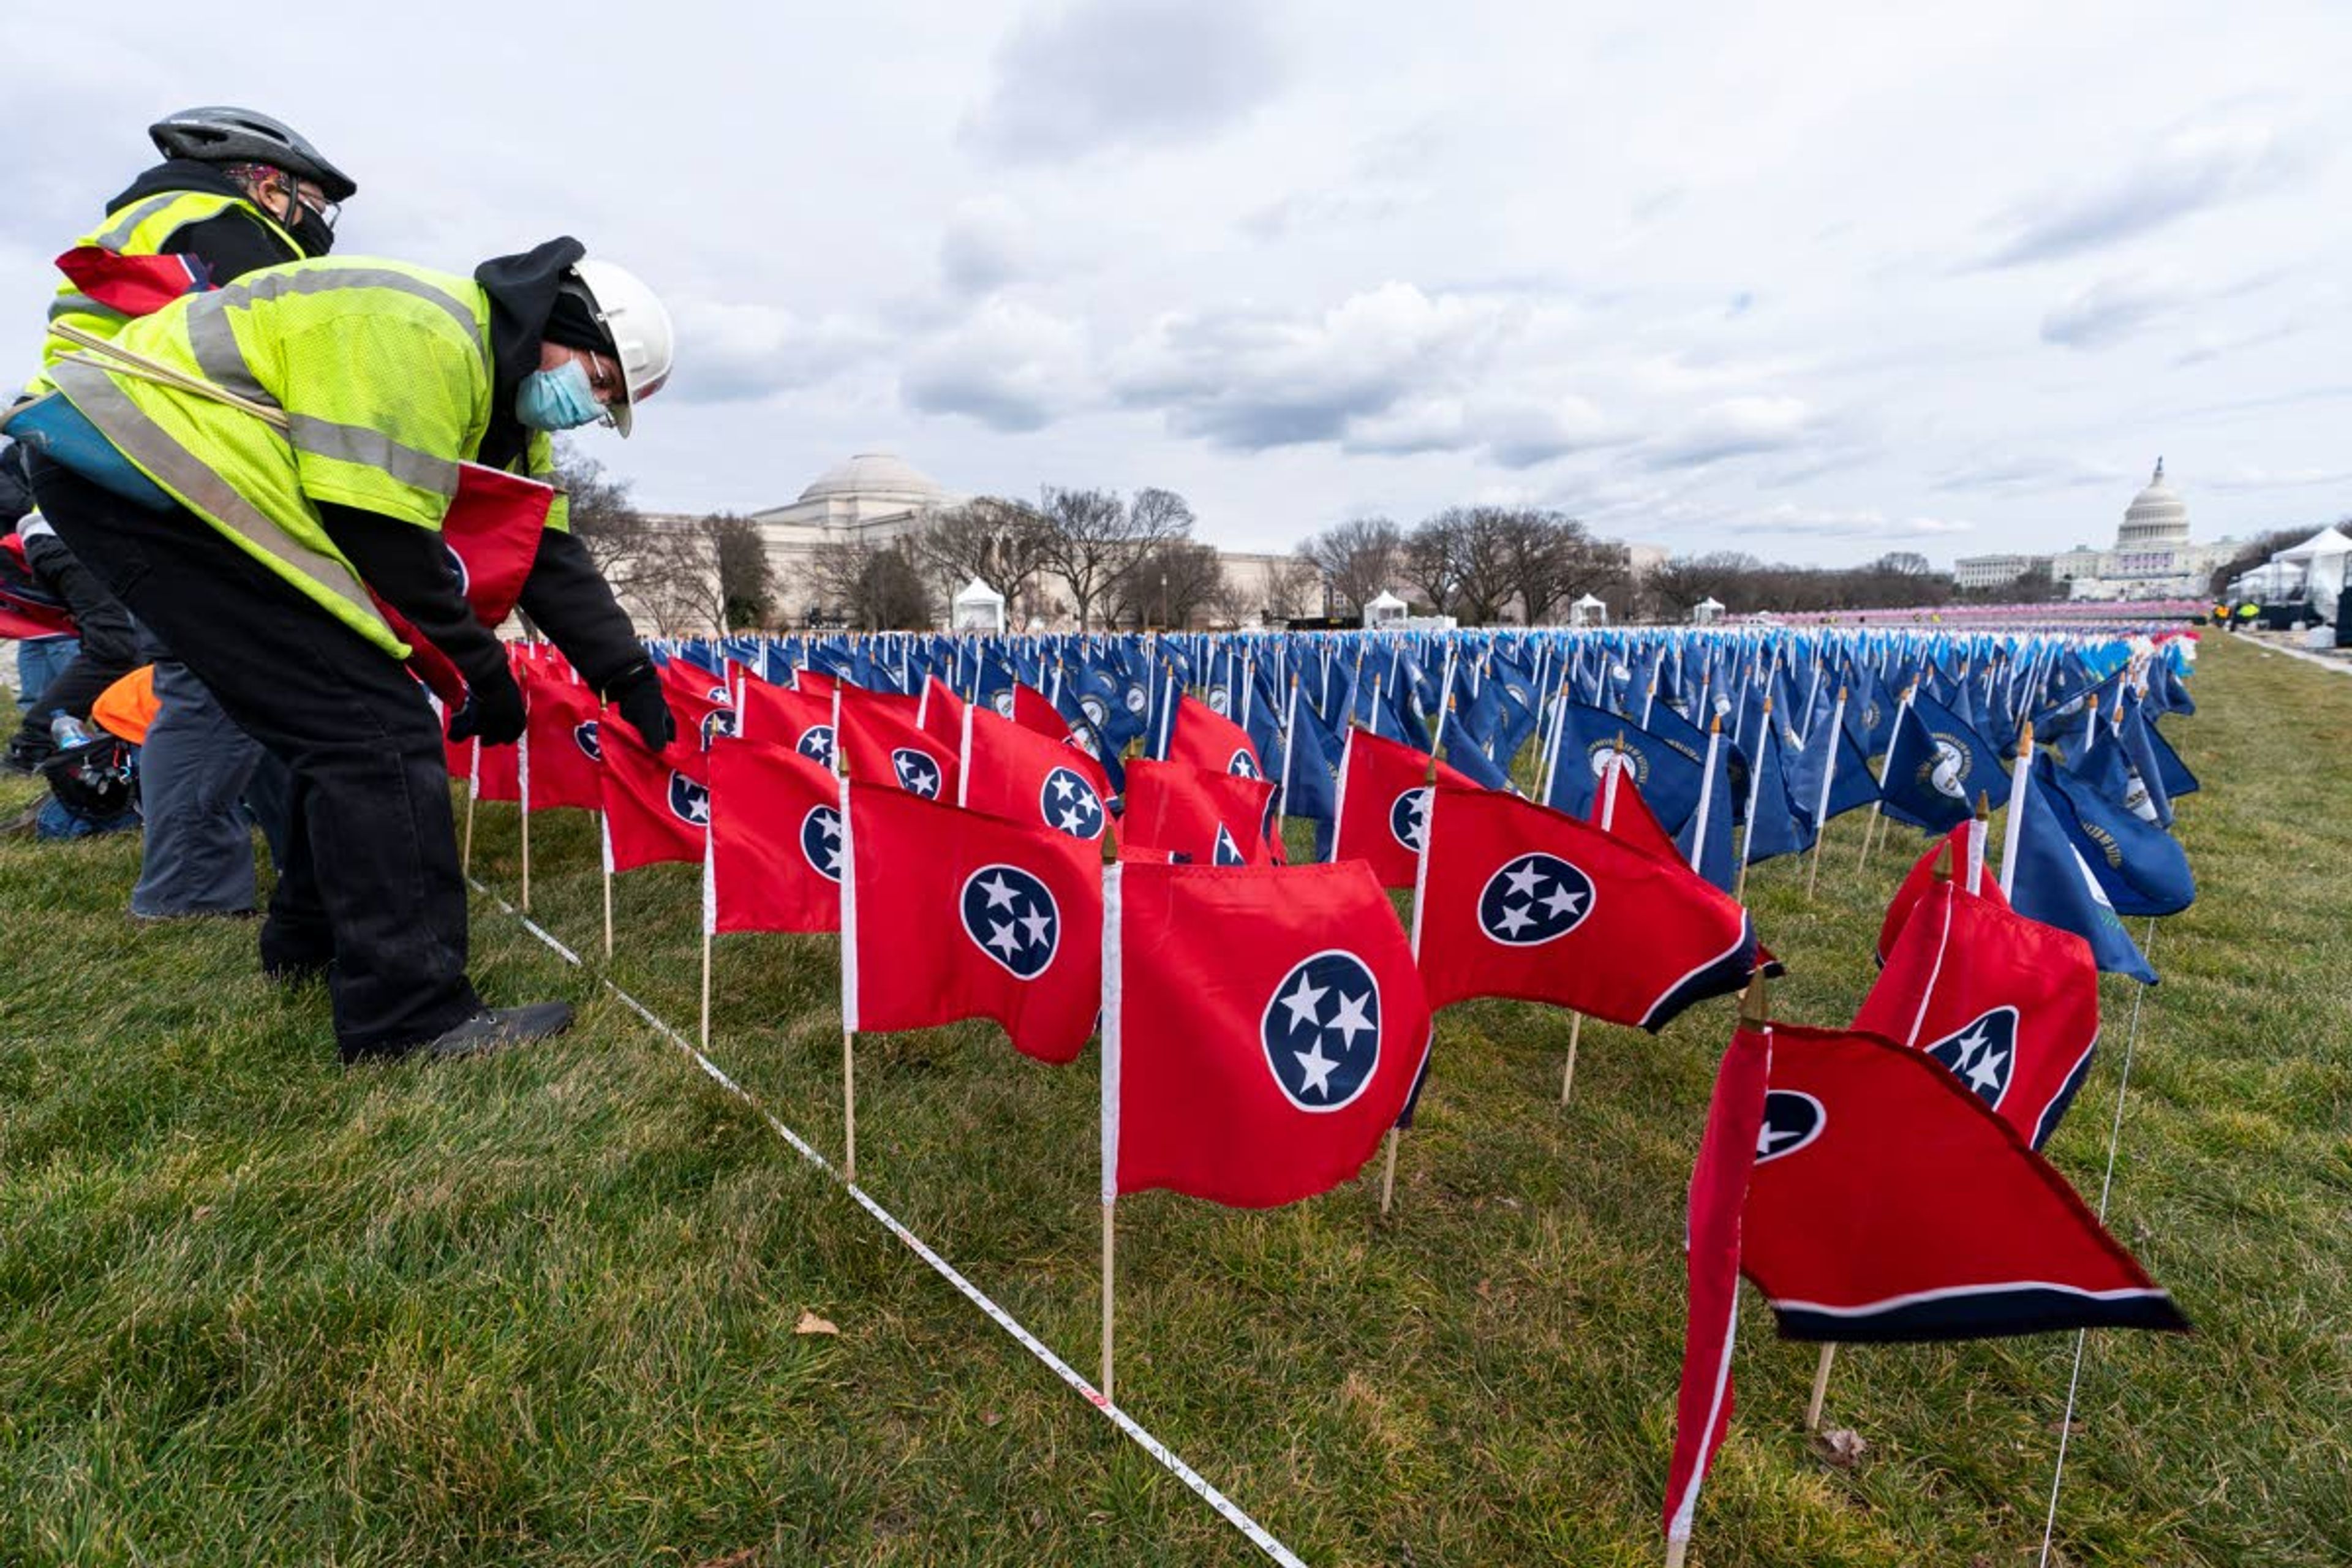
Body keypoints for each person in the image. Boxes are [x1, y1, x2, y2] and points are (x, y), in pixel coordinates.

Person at [23, 238, 677, 1062]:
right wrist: (482, 670)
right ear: (566, 322)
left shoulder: (500, 409)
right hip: (148, 463)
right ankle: (407, 1018)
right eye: (599, 379)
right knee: (374, 730)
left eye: (610, 399)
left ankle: (308, 942)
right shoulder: (429, 337)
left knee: (335, 720)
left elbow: (547, 554)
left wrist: (625, 675)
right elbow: (383, 536)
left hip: (154, 466)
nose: (589, 403)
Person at [11, 107, 354, 906]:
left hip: (106, 453)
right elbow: (288, 352)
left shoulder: (153, 215)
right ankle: (190, 887)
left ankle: (228, 865)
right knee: (224, 673)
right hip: (151, 457)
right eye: (314, 199)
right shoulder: (220, 220)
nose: (317, 220)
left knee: (217, 674)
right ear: (270, 185)